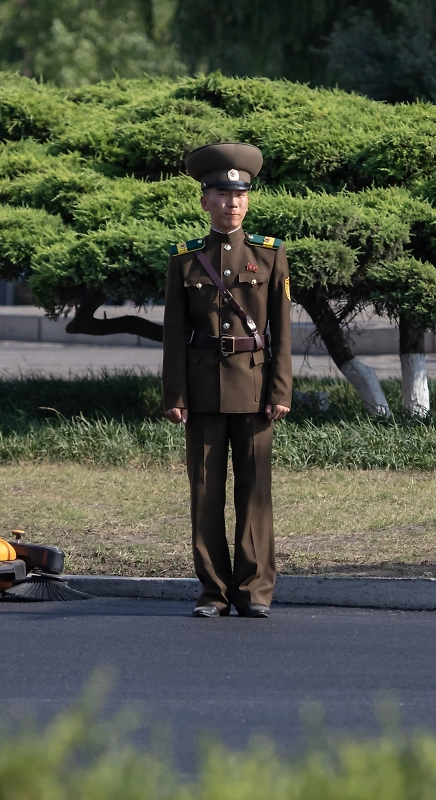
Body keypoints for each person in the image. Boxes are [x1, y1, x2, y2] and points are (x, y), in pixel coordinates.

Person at [161, 142, 292, 619]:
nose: (231, 202)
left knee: (255, 493)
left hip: (257, 390)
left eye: (239, 195)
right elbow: (174, 336)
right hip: (201, 391)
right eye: (220, 194)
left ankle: (255, 591)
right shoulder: (185, 261)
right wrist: (174, 395)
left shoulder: (271, 256)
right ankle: (214, 591)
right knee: (205, 492)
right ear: (205, 201)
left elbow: (281, 330)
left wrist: (280, 391)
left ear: (248, 201)